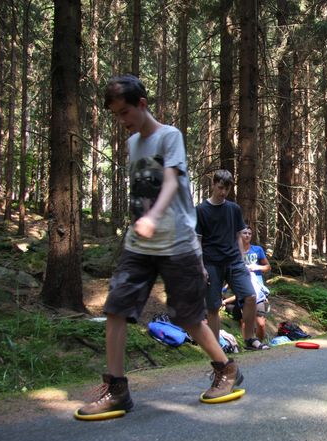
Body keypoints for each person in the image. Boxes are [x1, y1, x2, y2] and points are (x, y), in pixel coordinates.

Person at [75, 75, 242, 420]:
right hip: (139, 244)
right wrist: (141, 222)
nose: (121, 121)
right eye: (115, 115)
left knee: (188, 317)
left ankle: (226, 369)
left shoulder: (169, 136)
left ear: (142, 104)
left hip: (177, 242)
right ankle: (117, 390)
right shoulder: (132, 144)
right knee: (116, 307)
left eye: (124, 112)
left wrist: (153, 216)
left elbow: (170, 181)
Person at [196, 170, 269, 351]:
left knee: (251, 296)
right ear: (213, 184)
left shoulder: (233, 209)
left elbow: (239, 236)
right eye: (220, 188)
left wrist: (242, 260)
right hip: (211, 263)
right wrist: (200, 267)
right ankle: (216, 348)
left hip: (234, 261)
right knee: (213, 307)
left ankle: (249, 339)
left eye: (226, 189)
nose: (223, 192)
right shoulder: (200, 210)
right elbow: (197, 241)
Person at [240, 226, 271, 341]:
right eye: (245, 233)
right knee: (245, 321)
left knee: (261, 323)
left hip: (258, 291)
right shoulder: (235, 251)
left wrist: (257, 267)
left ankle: (260, 344)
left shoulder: (257, 249)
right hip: (242, 289)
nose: (247, 235)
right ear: (240, 235)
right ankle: (248, 344)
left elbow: (267, 266)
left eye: (249, 233)